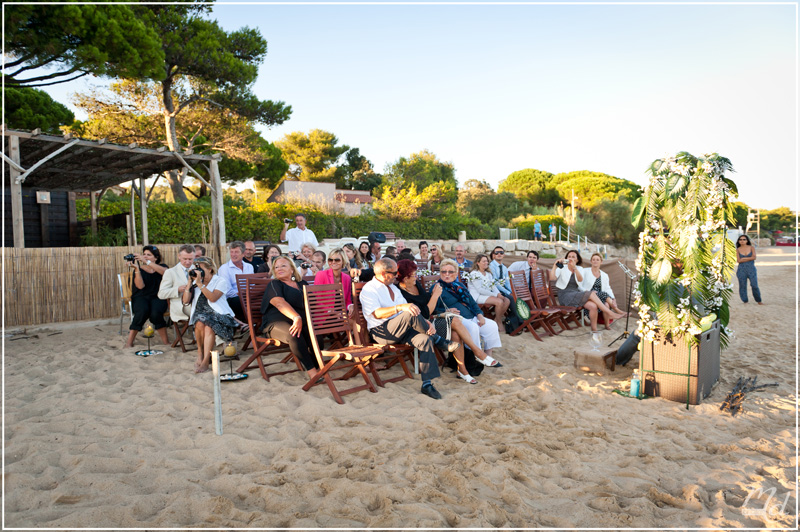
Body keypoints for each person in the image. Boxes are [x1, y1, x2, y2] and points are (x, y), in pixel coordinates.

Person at [359, 258, 453, 400]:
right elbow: (376, 313)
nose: (397, 275)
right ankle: (439, 340)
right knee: (407, 311)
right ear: (384, 274)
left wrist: (426, 322)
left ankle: (427, 384)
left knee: (425, 339)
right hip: (382, 332)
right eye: (394, 272)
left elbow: (410, 310)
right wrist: (400, 307)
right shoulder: (369, 289)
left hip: (401, 329)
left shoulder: (393, 288)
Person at [396, 259, 491, 384]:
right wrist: (436, 297)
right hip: (423, 325)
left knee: (456, 332)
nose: (416, 277)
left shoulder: (416, 285)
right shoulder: (401, 294)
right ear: (404, 278)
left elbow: (429, 306)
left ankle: (462, 369)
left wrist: (442, 311)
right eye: (413, 275)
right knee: (455, 321)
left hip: (435, 319)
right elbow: (425, 313)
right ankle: (477, 353)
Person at [260, 256, 321, 381]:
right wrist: (296, 317)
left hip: (301, 320)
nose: (279, 269)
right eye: (276, 267)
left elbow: (313, 303)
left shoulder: (302, 284)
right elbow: (279, 302)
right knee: (293, 334)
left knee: (317, 335)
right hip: (276, 322)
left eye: (283, 265)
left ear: (292, 269)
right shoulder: (274, 284)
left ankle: (317, 366)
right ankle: (312, 372)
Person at [437, 259, 503, 367]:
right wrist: (446, 311)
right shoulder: (437, 288)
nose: (447, 274)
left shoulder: (459, 286)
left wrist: (480, 314)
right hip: (457, 320)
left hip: (471, 316)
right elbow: (433, 309)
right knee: (473, 328)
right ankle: (475, 356)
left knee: (491, 325)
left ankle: (488, 355)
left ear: (456, 273)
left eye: (451, 272)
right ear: (440, 273)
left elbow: (472, 302)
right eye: (444, 272)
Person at [182, 256, 239, 373]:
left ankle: (205, 361)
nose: (199, 272)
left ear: (210, 270)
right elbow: (185, 301)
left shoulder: (220, 281)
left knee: (208, 326)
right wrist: (189, 282)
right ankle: (200, 353)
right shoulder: (195, 282)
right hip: (200, 313)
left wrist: (200, 285)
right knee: (199, 322)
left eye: (201, 269)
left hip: (218, 314)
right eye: (197, 269)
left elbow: (213, 298)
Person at [550, 250, 625, 332]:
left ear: (577, 260)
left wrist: (574, 268)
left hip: (576, 293)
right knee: (591, 294)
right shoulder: (562, 268)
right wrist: (555, 266)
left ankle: (594, 330)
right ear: (566, 258)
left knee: (593, 306)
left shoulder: (579, 268)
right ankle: (610, 312)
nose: (571, 258)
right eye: (569, 257)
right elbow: (552, 279)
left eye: (573, 257)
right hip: (565, 295)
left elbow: (580, 279)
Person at [125, 245, 169, 348]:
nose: (145, 256)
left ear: (156, 258)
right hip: (141, 296)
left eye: (149, 255)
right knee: (142, 311)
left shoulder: (163, 267)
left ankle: (166, 342)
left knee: (156, 313)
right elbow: (140, 286)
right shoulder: (139, 268)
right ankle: (129, 342)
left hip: (158, 296)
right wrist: (137, 269)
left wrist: (148, 262)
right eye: (144, 254)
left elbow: (166, 273)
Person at [467, 254, 511, 332]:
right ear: (478, 263)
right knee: (499, 302)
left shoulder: (488, 274)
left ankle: (495, 321)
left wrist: (498, 294)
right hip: (477, 296)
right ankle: (499, 322)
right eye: (483, 261)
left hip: (487, 295)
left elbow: (493, 286)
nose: (486, 263)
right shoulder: (474, 274)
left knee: (507, 300)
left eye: (487, 261)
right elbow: (480, 290)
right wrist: (495, 295)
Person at [581, 253, 624, 329]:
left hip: (600, 296)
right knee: (603, 294)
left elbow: (607, 288)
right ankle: (616, 310)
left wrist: (613, 298)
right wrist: (589, 292)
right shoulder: (584, 271)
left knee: (607, 304)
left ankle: (607, 325)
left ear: (601, 262)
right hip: (588, 296)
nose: (595, 261)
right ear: (591, 261)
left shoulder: (604, 275)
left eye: (597, 260)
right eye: (593, 259)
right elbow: (579, 285)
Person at [158, 244, 196, 325]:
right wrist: (177, 289)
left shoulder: (198, 269)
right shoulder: (170, 272)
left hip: (197, 303)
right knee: (203, 316)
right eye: (185, 259)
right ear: (179, 256)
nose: (188, 262)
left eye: (190, 259)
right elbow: (161, 294)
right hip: (181, 307)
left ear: (194, 257)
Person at [314, 248, 355, 319]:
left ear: (343, 261)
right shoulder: (321, 275)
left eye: (337, 260)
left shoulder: (347, 278)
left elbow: (347, 300)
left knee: (356, 316)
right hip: (324, 316)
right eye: (330, 260)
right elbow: (317, 300)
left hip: (341, 314)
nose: (333, 262)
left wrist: (350, 306)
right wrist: (333, 312)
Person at [217, 241, 254, 321]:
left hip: (248, 296)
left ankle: (258, 324)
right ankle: (248, 324)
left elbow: (252, 285)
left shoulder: (249, 267)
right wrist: (243, 294)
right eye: (232, 252)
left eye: (236, 252)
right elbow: (227, 292)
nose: (233, 255)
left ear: (243, 253)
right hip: (232, 299)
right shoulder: (224, 269)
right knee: (241, 300)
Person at [736, 235, 763, 304]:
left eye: (744, 239)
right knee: (742, 286)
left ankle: (758, 300)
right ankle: (745, 300)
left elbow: (754, 257)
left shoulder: (752, 248)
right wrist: (749, 258)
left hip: (751, 269)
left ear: (747, 240)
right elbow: (738, 260)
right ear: (739, 241)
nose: (742, 241)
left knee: (754, 285)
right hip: (741, 270)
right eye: (740, 239)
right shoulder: (737, 249)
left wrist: (744, 258)